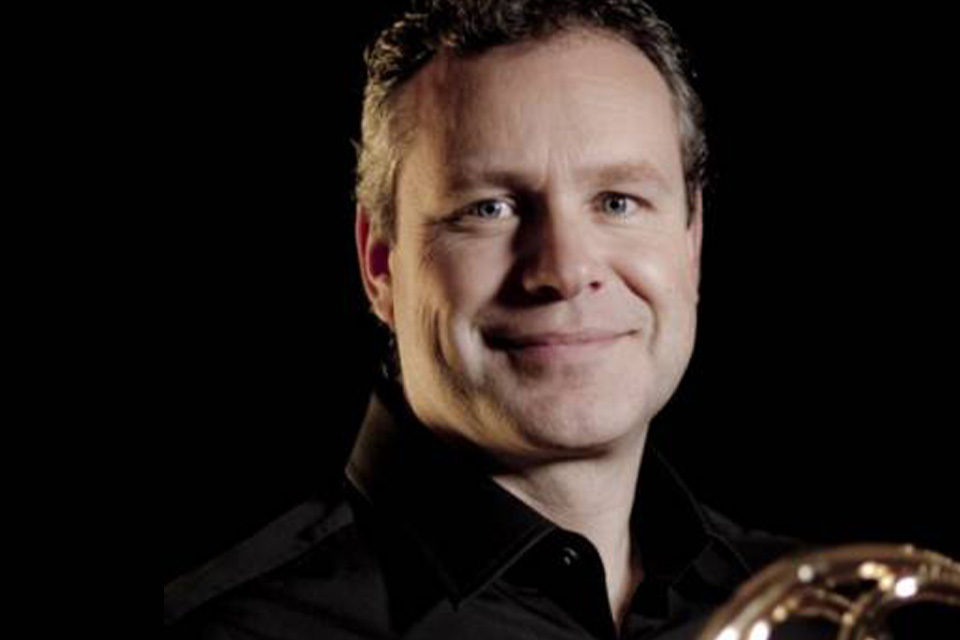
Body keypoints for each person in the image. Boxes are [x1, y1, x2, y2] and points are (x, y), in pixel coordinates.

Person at [164, 1, 811, 638]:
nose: (562, 269)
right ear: (379, 263)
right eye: (489, 209)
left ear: (691, 243)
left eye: (618, 201)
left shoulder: (812, 612)